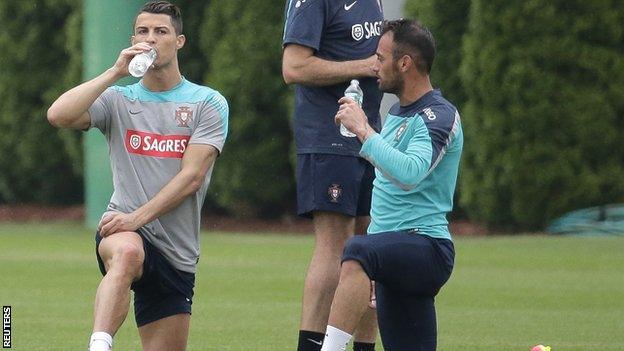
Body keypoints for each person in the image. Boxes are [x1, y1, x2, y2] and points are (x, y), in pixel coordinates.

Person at [46, 1, 228, 350]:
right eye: (143, 31)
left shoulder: (207, 102)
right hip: (123, 231)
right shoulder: (118, 98)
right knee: (127, 253)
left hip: (177, 252)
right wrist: (115, 72)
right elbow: (58, 115)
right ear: (133, 39)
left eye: (161, 32)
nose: (151, 39)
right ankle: (99, 344)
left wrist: (137, 217)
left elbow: (192, 177)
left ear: (179, 41)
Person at [322, 19, 463, 351]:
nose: (375, 65)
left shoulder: (437, 116)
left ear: (405, 63)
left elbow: (411, 173)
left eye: (381, 57)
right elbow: (387, 192)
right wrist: (375, 263)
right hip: (395, 253)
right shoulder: (400, 112)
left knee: (355, 248)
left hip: (427, 248)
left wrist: (364, 131)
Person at [282, 1, 384, 350]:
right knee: (335, 245)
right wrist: (367, 66)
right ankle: (311, 345)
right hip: (328, 137)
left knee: (372, 243)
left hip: (369, 135)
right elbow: (293, 67)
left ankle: (364, 346)